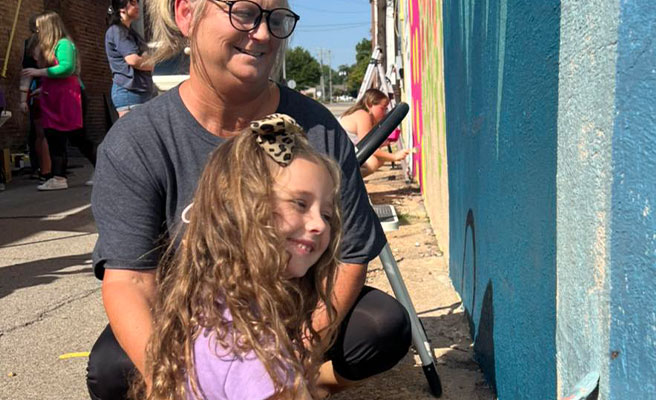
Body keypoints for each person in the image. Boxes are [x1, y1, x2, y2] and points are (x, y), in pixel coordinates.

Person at [86, 1, 411, 398]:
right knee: (113, 369)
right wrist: (171, 383)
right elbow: (130, 281)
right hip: (193, 314)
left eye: (275, 20)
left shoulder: (317, 128)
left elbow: (350, 256)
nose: (262, 33)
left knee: (382, 326)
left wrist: (302, 354)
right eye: (243, 12)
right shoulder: (138, 141)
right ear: (187, 14)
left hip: (291, 304)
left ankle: (319, 382)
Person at [134, 114, 341, 399]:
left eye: (327, 214)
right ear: (241, 209)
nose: (319, 224)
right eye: (300, 203)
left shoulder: (213, 311)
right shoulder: (256, 355)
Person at [21, 12, 96, 191]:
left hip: (69, 98)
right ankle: (58, 176)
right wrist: (42, 88)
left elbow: (66, 68)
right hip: (54, 97)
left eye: (39, 28)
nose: (37, 32)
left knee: (77, 138)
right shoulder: (51, 47)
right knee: (55, 137)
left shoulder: (63, 44)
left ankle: (102, 168)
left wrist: (38, 73)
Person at [338, 88, 412, 177]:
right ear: (369, 104)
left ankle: (345, 182)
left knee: (380, 159)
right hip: (337, 155)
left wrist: (382, 144)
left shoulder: (361, 114)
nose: (385, 113)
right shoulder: (363, 115)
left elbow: (359, 144)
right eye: (382, 108)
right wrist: (394, 156)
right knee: (373, 163)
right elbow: (367, 148)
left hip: (339, 152)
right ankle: (344, 183)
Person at [105, 0, 156, 117]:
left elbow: (145, 58)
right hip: (129, 93)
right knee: (136, 134)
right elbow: (133, 60)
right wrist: (150, 63)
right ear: (121, 8)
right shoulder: (117, 31)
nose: (137, 6)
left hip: (141, 92)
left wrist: (146, 60)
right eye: (133, 3)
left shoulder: (131, 33)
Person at [19, 13, 52, 182]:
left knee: (40, 133)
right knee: (44, 133)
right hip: (43, 90)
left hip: (40, 89)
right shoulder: (49, 43)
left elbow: (26, 73)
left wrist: (23, 99)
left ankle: (44, 169)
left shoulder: (31, 44)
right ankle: (48, 170)